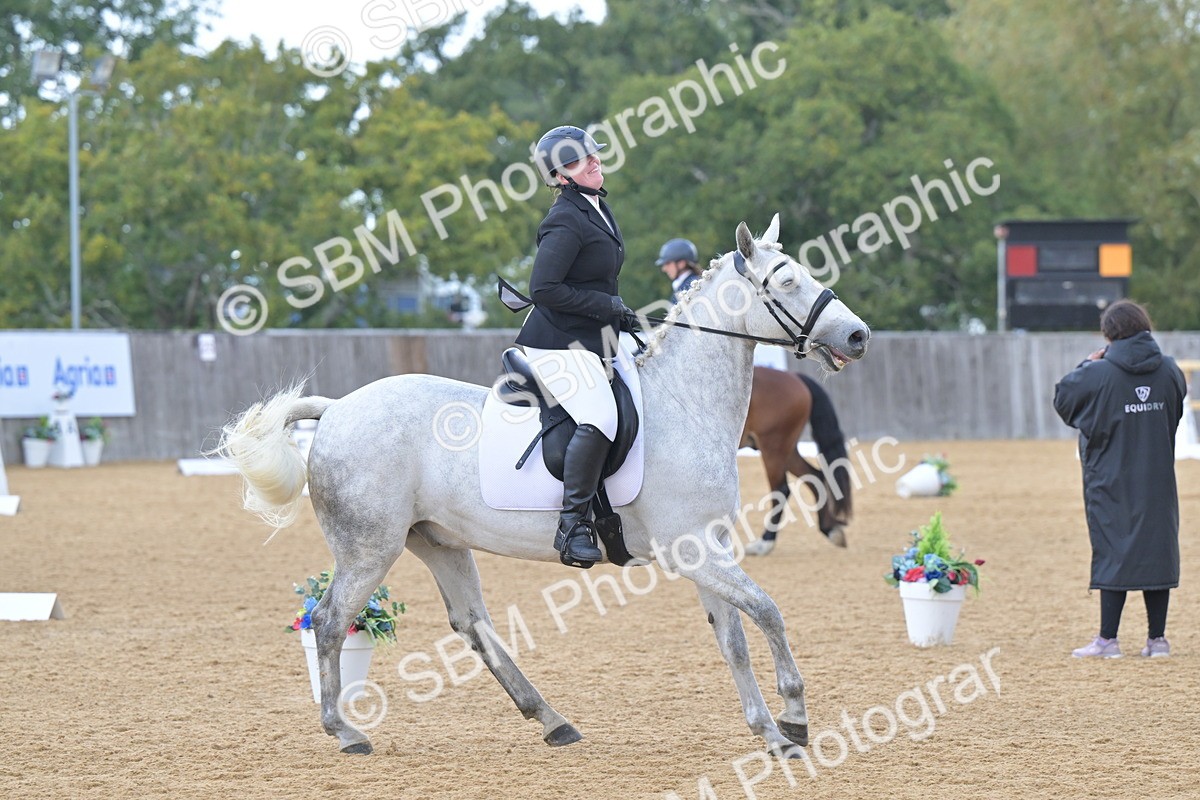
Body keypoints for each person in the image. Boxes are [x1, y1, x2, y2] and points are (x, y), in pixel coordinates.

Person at [517, 125, 637, 569]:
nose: (593, 162)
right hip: (557, 344)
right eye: (579, 160)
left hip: (592, 336)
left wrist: (617, 313)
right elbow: (544, 288)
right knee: (600, 415)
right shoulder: (564, 217)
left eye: (592, 155)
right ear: (560, 176)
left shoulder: (595, 207)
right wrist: (606, 305)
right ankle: (572, 526)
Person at [1053, 300, 1186, 658]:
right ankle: (1157, 640)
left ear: (1109, 333)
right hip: (1157, 478)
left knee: (1115, 547)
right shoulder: (1171, 370)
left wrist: (1087, 363)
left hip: (1111, 478)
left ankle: (1108, 641)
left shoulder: (1097, 373)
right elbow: (1175, 411)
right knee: (1156, 550)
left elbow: (1064, 398)